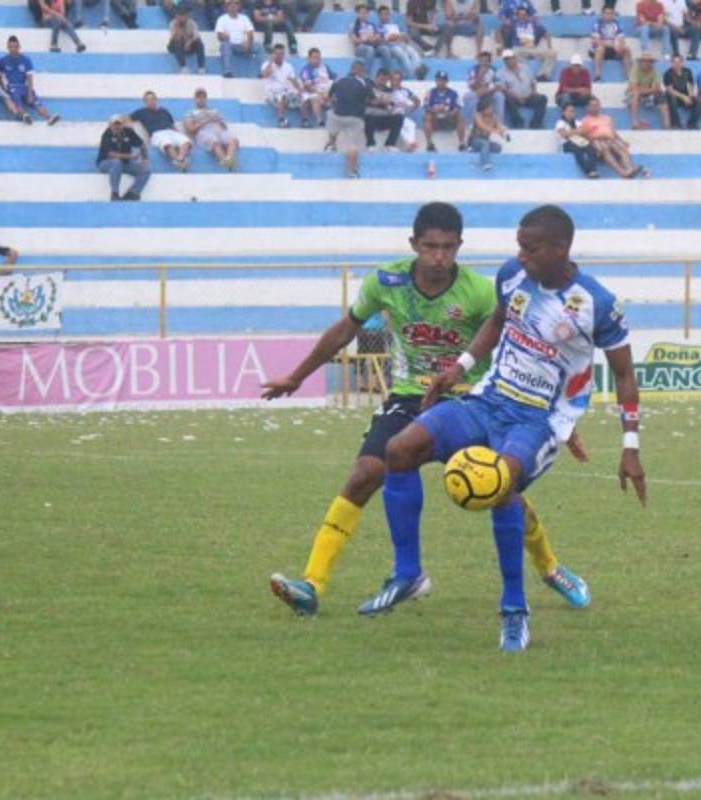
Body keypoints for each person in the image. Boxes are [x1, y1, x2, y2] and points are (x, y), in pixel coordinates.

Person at [264, 203, 592, 620]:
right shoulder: (387, 282)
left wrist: (557, 419)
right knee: (366, 473)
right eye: (430, 247)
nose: (439, 257)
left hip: (471, 399)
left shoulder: (479, 291)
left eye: (448, 247)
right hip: (408, 399)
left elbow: (529, 347)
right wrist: (297, 376)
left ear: (459, 246)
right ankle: (312, 584)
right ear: (414, 244)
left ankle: (550, 568)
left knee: (501, 489)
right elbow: (347, 328)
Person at [373, 205, 645, 651]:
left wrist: (630, 446)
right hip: (488, 401)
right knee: (400, 449)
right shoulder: (513, 275)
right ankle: (407, 574)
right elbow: (498, 321)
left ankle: (514, 609)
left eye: (530, 248)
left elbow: (625, 375)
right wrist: (459, 367)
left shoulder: (596, 303)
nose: (521, 255)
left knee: (500, 486)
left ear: (561, 248)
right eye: (519, 246)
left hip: (539, 420)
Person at [0, 36, 60, 125]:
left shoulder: (26, 60)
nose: (13, 49)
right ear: (7, 47)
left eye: (15, 46)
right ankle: (25, 116)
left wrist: (30, 92)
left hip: (24, 86)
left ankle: (49, 118)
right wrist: (3, 89)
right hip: (12, 87)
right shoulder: (3, 61)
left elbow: (30, 77)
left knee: (35, 101)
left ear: (19, 47)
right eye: (11, 47)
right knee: (16, 100)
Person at [579, 97, 646, 177]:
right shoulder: (585, 120)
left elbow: (614, 132)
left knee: (622, 148)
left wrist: (622, 141)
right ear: (588, 107)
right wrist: (596, 138)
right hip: (597, 140)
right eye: (593, 105)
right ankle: (622, 172)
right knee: (605, 149)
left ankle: (630, 168)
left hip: (611, 139)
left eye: (597, 105)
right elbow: (584, 135)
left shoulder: (607, 118)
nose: (595, 107)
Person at [328, 61, 373, 178]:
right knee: (353, 146)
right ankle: (352, 171)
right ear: (360, 71)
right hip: (355, 118)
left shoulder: (338, 80)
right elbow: (372, 99)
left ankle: (331, 143)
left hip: (338, 116)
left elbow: (330, 96)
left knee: (330, 116)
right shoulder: (363, 83)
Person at [131, 90, 193, 170]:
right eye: (148, 100)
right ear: (145, 102)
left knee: (186, 141)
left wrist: (178, 133)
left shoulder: (164, 111)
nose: (151, 101)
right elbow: (126, 119)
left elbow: (172, 125)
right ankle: (179, 161)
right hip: (157, 134)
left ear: (156, 100)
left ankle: (180, 159)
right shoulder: (141, 112)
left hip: (171, 132)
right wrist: (129, 126)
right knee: (167, 143)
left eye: (153, 99)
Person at [184, 87, 240, 168]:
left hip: (219, 129)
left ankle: (229, 159)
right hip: (204, 131)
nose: (201, 99)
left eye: (203, 97)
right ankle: (226, 162)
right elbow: (190, 129)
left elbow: (225, 126)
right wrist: (205, 121)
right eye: (199, 97)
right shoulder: (190, 113)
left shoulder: (214, 111)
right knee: (214, 142)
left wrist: (219, 121)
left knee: (233, 140)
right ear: (195, 99)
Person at [97, 114, 149, 201]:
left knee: (145, 170)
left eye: (119, 124)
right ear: (110, 125)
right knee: (116, 162)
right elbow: (110, 154)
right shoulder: (106, 135)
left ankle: (133, 192)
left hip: (125, 162)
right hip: (106, 162)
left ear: (122, 124)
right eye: (114, 124)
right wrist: (129, 156)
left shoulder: (128, 132)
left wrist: (145, 159)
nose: (117, 126)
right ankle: (115, 193)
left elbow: (142, 145)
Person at [500, 6, 555, 80]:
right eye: (520, 15)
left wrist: (549, 47)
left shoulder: (534, 24)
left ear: (527, 15)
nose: (522, 17)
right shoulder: (513, 24)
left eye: (524, 15)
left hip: (532, 49)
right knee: (514, 55)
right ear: (517, 16)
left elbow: (547, 34)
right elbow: (501, 30)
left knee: (552, 54)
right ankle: (525, 77)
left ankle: (543, 75)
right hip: (519, 49)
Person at [377, 5, 427, 79]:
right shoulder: (378, 26)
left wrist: (403, 36)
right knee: (403, 55)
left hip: (401, 43)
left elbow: (405, 36)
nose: (385, 16)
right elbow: (381, 40)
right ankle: (410, 75)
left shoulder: (394, 25)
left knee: (413, 52)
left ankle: (414, 72)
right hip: (391, 47)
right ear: (379, 16)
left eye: (386, 14)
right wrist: (390, 38)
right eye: (382, 14)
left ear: (389, 15)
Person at [500, 50, 547, 129]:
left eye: (510, 58)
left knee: (543, 98)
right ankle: (518, 122)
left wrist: (533, 93)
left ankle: (535, 123)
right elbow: (504, 89)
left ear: (515, 58)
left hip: (529, 96)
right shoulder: (501, 73)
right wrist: (517, 97)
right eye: (506, 59)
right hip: (514, 98)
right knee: (506, 99)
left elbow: (533, 82)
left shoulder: (525, 68)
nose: (508, 61)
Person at [423, 70, 465, 151]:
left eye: (443, 80)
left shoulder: (453, 93)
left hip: (449, 118)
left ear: (447, 81)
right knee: (427, 116)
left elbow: (458, 106)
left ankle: (462, 143)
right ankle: (429, 143)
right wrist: (435, 110)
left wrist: (451, 113)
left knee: (460, 116)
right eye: (439, 80)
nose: (441, 82)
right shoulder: (430, 92)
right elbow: (426, 106)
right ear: (435, 81)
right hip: (435, 118)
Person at [261, 43, 301, 127]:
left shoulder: (288, 66)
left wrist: (300, 90)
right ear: (273, 54)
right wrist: (271, 62)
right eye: (277, 54)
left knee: (302, 96)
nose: (279, 56)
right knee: (280, 97)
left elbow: (293, 80)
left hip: (285, 91)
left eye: (281, 53)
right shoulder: (266, 65)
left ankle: (304, 121)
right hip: (272, 92)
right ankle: (281, 120)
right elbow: (264, 75)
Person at [554, 102, 598, 178]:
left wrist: (571, 132)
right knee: (577, 150)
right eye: (569, 111)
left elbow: (583, 131)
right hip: (566, 144)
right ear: (564, 112)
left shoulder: (577, 122)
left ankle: (593, 170)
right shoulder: (560, 122)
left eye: (572, 111)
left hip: (580, 141)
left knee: (591, 149)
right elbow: (564, 134)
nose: (571, 113)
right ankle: (588, 171)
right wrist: (577, 131)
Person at [589, 7, 632, 83]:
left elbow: (622, 39)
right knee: (600, 48)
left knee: (627, 49)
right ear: (602, 14)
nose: (609, 15)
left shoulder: (617, 24)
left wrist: (620, 46)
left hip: (613, 49)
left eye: (611, 13)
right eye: (607, 13)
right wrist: (612, 45)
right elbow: (597, 41)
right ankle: (598, 76)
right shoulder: (597, 24)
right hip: (598, 50)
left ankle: (629, 78)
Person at [364, 67, 404, 149]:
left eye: (385, 80)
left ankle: (390, 144)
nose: (383, 82)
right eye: (381, 79)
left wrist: (387, 104)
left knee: (399, 117)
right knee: (368, 118)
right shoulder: (368, 88)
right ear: (376, 78)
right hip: (371, 116)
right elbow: (368, 101)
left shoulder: (389, 90)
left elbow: (391, 105)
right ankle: (370, 144)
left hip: (384, 116)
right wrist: (379, 101)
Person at [628, 52, 670, 129]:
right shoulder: (635, 70)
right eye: (644, 61)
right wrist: (650, 89)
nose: (646, 63)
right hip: (633, 94)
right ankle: (635, 122)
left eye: (648, 61)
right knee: (635, 94)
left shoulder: (655, 71)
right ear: (640, 62)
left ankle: (666, 123)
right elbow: (634, 88)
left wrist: (645, 89)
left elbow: (657, 87)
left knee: (661, 95)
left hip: (648, 94)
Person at [216, 0, 256, 77]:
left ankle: (263, 70)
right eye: (230, 4)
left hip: (243, 44)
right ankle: (228, 71)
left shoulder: (244, 18)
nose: (233, 5)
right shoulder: (222, 19)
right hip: (230, 45)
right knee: (225, 45)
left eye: (236, 3)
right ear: (227, 7)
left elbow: (250, 32)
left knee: (259, 46)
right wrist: (224, 36)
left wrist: (248, 42)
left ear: (239, 6)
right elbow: (219, 36)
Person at [462, 50, 504, 124]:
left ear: (490, 62)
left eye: (486, 61)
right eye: (482, 61)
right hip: (476, 92)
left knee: (499, 96)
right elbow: (471, 86)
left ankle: (499, 123)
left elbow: (498, 85)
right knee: (468, 96)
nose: (484, 63)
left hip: (490, 92)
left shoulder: (494, 70)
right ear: (478, 61)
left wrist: (487, 90)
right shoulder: (473, 70)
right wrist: (480, 75)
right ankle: (469, 124)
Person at [298, 47, 335, 127]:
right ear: (309, 58)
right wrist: (320, 94)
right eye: (314, 57)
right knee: (315, 98)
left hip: (327, 90)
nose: (317, 60)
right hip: (315, 91)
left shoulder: (325, 67)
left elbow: (334, 77)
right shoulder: (306, 70)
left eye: (318, 57)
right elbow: (308, 87)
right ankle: (319, 120)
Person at [469, 94, 507, 171]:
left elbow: (499, 127)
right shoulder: (477, 115)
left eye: (491, 107)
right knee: (485, 144)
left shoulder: (494, 116)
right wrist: (496, 130)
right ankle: (485, 164)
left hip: (485, 140)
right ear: (483, 108)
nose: (491, 109)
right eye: (489, 107)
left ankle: (476, 151)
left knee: (497, 147)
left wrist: (503, 134)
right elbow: (482, 126)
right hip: (475, 139)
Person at [350, 4, 391, 74]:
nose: (364, 15)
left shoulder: (371, 24)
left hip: (373, 45)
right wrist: (365, 39)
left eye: (365, 13)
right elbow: (354, 40)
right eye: (361, 13)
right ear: (358, 14)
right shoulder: (353, 25)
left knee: (385, 49)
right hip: (360, 48)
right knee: (370, 49)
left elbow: (378, 35)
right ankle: (366, 74)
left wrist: (374, 38)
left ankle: (386, 74)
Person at [663, 54, 699, 129]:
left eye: (679, 62)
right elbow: (670, 90)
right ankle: (676, 124)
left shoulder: (688, 71)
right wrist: (683, 97)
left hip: (685, 95)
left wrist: (690, 96)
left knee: (699, 100)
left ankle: (692, 123)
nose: (677, 64)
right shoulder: (667, 73)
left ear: (682, 62)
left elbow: (690, 85)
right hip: (675, 96)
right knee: (671, 97)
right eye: (674, 62)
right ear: (671, 63)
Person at [168, 5, 207, 73]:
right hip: (176, 45)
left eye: (184, 15)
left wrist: (189, 42)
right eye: (180, 15)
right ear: (176, 16)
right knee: (177, 42)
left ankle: (201, 67)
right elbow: (174, 37)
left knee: (199, 43)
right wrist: (178, 27)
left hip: (188, 43)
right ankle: (183, 67)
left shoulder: (192, 23)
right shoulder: (172, 23)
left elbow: (197, 36)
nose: (182, 17)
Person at [389, 69, 421, 150]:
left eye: (398, 79)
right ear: (391, 80)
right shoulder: (387, 90)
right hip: (389, 116)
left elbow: (417, 101)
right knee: (398, 124)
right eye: (394, 79)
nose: (395, 82)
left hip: (401, 116)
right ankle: (409, 143)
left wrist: (410, 110)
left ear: (401, 81)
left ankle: (411, 143)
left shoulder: (406, 91)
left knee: (411, 124)